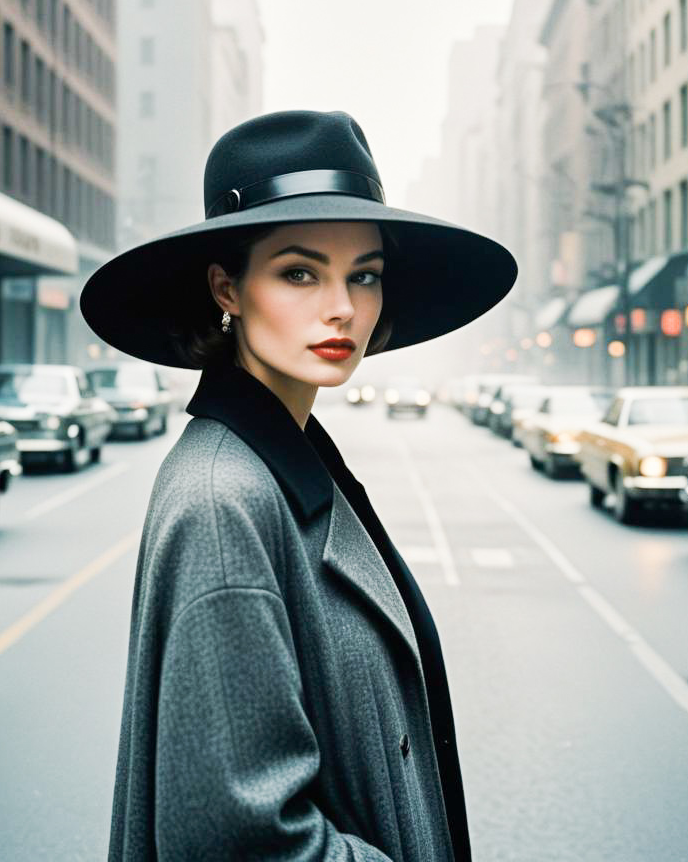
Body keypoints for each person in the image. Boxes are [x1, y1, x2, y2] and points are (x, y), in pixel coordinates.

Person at [80, 110, 516, 861]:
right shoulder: (225, 499)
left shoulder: (288, 459)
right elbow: (241, 840)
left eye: (365, 275)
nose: (342, 306)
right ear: (228, 287)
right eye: (299, 272)